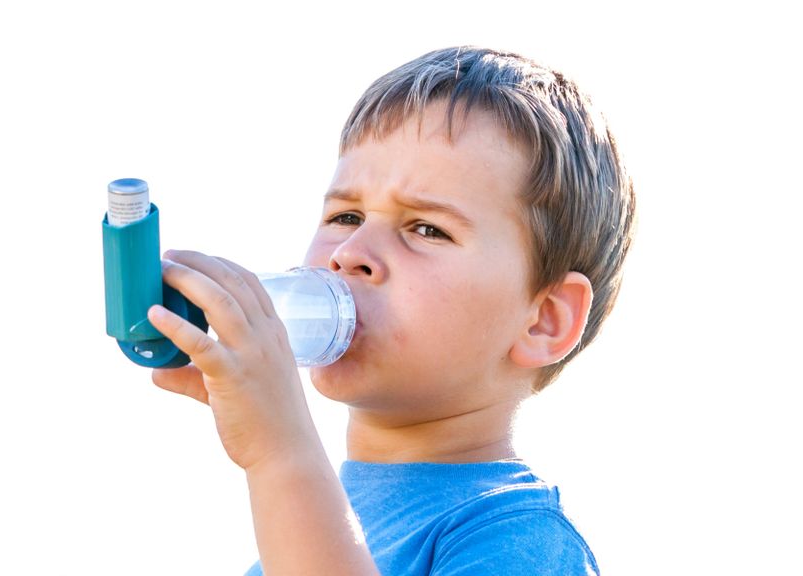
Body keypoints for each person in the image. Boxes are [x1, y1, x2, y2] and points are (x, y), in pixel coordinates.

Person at [146, 46, 634, 575]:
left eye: (427, 229)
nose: (350, 252)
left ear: (544, 319)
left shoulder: (521, 542)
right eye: (345, 214)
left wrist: (281, 454)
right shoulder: (305, 527)